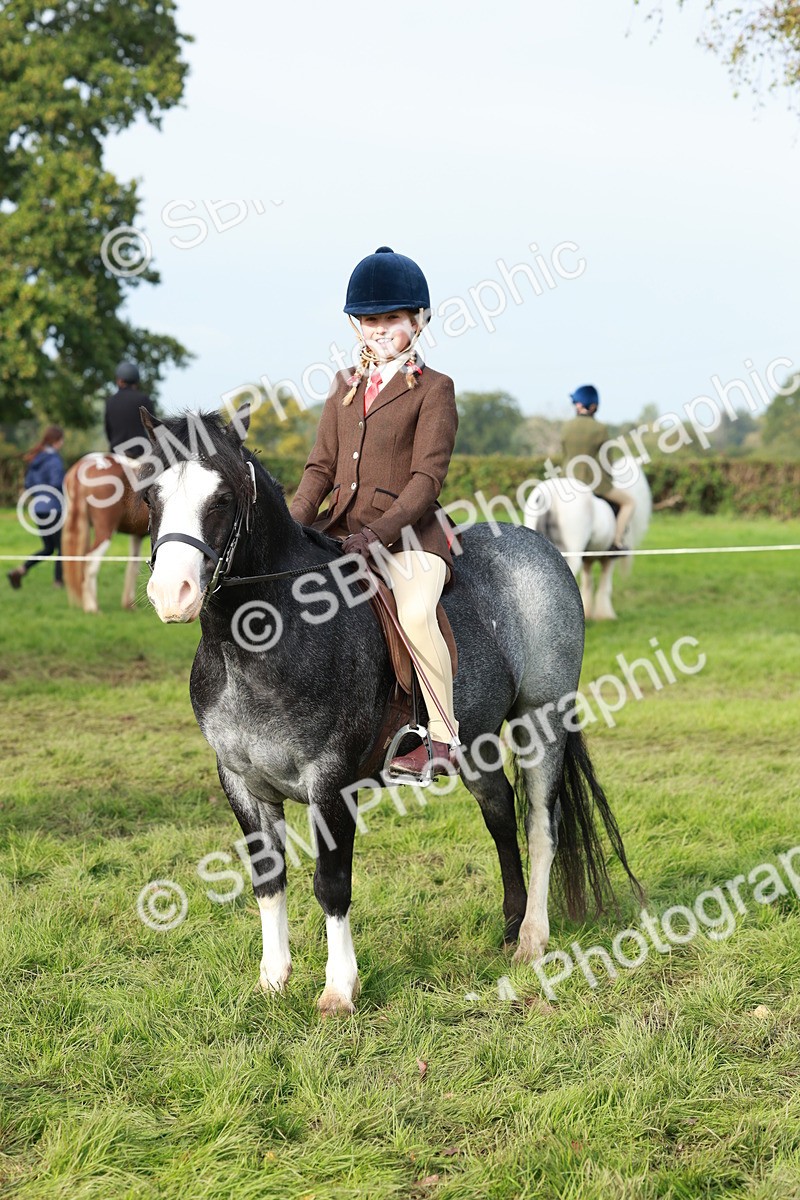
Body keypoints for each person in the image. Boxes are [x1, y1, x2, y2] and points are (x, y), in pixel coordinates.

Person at [289, 246, 459, 777]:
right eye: (369, 321)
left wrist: (377, 534)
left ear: (417, 321)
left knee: (415, 614)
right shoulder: (343, 385)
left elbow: (426, 480)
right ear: (355, 326)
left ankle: (443, 740)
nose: (379, 330)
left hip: (410, 537)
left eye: (391, 319)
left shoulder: (435, 389)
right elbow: (320, 468)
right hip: (339, 529)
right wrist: (292, 526)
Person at [560, 384, 635, 551]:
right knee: (629, 502)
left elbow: (564, 455)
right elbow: (606, 461)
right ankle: (616, 542)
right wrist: (609, 480)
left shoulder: (566, 427)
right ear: (594, 406)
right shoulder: (600, 429)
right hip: (593, 483)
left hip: (566, 481)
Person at [7, 425, 66, 590]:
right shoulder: (54, 459)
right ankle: (58, 582)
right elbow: (56, 483)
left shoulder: (36, 458)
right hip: (54, 509)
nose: (62, 443)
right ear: (56, 441)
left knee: (49, 548)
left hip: (38, 509)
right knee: (62, 548)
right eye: (61, 440)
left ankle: (21, 570)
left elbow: (28, 484)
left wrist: (40, 494)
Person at [105, 362, 156, 457]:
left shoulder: (110, 401)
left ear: (120, 381)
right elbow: (153, 428)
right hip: (140, 453)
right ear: (136, 382)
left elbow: (108, 431)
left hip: (117, 453)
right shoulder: (143, 399)